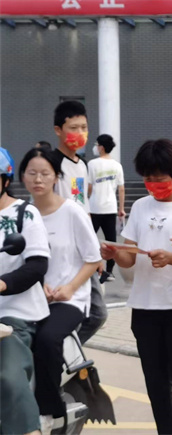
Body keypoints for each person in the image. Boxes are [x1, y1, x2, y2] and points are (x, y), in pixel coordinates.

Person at [100, 139, 172, 434]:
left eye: (159, 178)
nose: (153, 184)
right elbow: (129, 257)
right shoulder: (141, 206)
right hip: (145, 310)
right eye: (148, 178)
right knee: (156, 387)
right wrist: (115, 254)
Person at [20, 147, 102, 434]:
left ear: (56, 177)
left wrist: (69, 288)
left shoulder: (72, 211)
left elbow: (93, 259)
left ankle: (48, 411)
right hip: (30, 297)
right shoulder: (22, 213)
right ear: (22, 176)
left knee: (47, 338)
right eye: (32, 173)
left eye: (45, 173)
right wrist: (36, 284)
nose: (38, 179)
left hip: (69, 300)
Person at [0, 147, 50, 435]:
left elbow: (37, 266)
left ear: (5, 181)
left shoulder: (24, 213)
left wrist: (3, 283)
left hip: (15, 317)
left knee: (7, 376)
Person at [51, 100, 107, 344]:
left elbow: (82, 208)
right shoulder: (51, 164)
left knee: (96, 315)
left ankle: (61, 354)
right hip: (61, 252)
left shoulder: (82, 165)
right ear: (58, 130)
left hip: (83, 251)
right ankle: (58, 354)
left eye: (84, 128)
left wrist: (94, 248)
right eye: (73, 128)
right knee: (72, 313)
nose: (80, 134)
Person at [88, 134, 125, 282]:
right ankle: (109, 272)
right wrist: (121, 208)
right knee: (111, 241)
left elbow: (89, 186)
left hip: (94, 207)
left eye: (97, 145)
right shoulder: (117, 165)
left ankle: (95, 269)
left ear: (101, 147)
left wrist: (86, 201)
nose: (95, 147)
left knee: (90, 239)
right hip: (110, 208)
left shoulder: (92, 164)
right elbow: (121, 189)